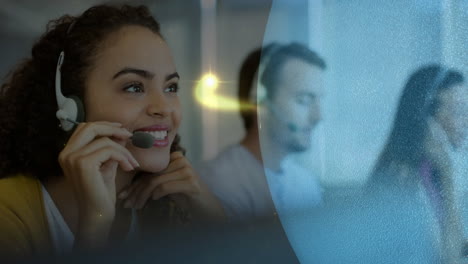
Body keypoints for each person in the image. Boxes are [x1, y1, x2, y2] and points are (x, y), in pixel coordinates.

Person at [0, 4, 225, 258]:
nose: (164, 108)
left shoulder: (164, 206)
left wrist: (213, 218)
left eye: (171, 87)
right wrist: (95, 226)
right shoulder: (7, 212)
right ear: (71, 107)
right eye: (133, 87)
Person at [199, 43, 325, 220]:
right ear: (260, 102)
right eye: (303, 100)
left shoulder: (306, 184)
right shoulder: (217, 185)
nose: (318, 117)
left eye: (319, 101)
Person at [367, 65, 467, 262]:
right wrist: (448, 175)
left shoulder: (430, 169)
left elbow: (450, 242)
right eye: (459, 111)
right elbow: (447, 257)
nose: (467, 121)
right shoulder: (401, 177)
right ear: (424, 117)